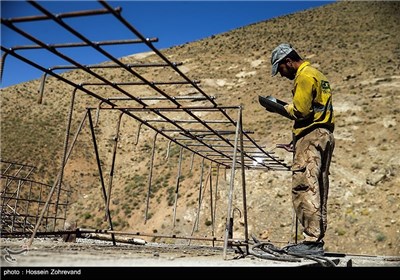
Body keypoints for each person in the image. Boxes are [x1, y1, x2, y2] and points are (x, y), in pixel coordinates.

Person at [268, 43, 335, 255]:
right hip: (323, 135)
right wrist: (295, 141)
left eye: (280, 69)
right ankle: (315, 238)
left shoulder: (304, 76)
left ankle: (311, 242)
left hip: (312, 135)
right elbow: (314, 112)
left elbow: (301, 111)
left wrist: (278, 107)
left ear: (288, 62)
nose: (281, 74)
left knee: (304, 185)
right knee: (318, 186)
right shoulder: (318, 74)